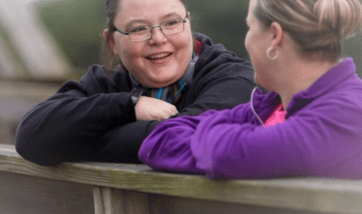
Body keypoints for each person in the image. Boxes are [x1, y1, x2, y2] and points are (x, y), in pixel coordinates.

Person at [139, 0, 362, 179]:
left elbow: (229, 154)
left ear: (275, 36)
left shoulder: (350, 113)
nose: (248, 39)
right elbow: (159, 139)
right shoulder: (271, 107)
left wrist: (209, 135)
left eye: (251, 27)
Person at [15, 0, 255, 165]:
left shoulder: (235, 78)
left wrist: (74, 140)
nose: (158, 39)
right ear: (112, 43)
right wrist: (128, 106)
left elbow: (180, 140)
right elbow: (30, 135)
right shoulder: (108, 82)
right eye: (138, 29)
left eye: (171, 23)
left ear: (188, 22)